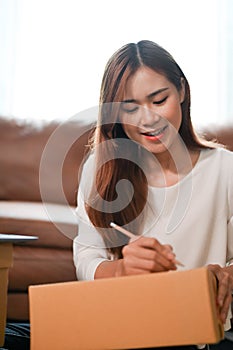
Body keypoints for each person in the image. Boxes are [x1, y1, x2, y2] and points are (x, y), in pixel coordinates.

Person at [73, 40, 233, 349]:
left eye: (159, 100)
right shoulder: (99, 168)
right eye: (130, 108)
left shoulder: (225, 170)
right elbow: (86, 258)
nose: (148, 120)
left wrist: (227, 275)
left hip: (200, 335)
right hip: (121, 330)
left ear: (182, 91)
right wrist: (121, 270)